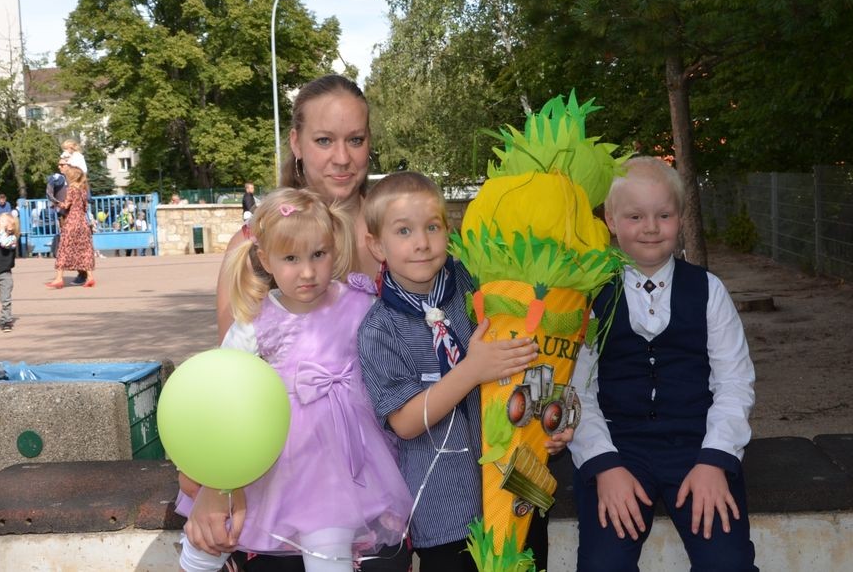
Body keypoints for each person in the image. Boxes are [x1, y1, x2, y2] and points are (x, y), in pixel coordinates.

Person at [178, 188, 413, 572]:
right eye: (291, 258)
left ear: (334, 250)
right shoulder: (256, 322)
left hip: (342, 460)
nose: (307, 271)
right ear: (265, 259)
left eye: (318, 255)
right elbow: (222, 389)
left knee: (329, 535)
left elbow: (390, 356)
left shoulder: (361, 304)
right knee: (218, 535)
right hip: (276, 455)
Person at [357, 172, 564, 571]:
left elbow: (529, 358)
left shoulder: (478, 285)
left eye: (432, 227)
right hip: (445, 513)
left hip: (517, 488)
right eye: (404, 231)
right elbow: (403, 421)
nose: (422, 242)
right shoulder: (379, 329)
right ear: (377, 245)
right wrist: (471, 371)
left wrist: (549, 426)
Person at [567, 157, 758, 571]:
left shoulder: (708, 290)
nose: (650, 227)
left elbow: (735, 381)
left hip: (695, 445)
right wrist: (605, 465)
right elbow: (576, 390)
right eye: (635, 216)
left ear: (681, 217)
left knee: (728, 564)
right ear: (611, 221)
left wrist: (715, 458)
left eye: (663, 215)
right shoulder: (590, 295)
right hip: (620, 446)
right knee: (603, 566)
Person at [217, 74, 376, 341]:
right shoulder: (252, 246)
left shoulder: (405, 232)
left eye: (355, 140)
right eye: (324, 140)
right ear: (295, 142)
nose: (342, 158)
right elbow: (234, 374)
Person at [46, 166, 96, 289]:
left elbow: (66, 205)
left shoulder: (71, 189)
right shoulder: (83, 190)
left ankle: (58, 278)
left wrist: (56, 203)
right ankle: (90, 277)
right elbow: (85, 207)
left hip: (71, 222)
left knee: (64, 249)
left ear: (72, 176)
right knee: (84, 250)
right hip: (82, 223)